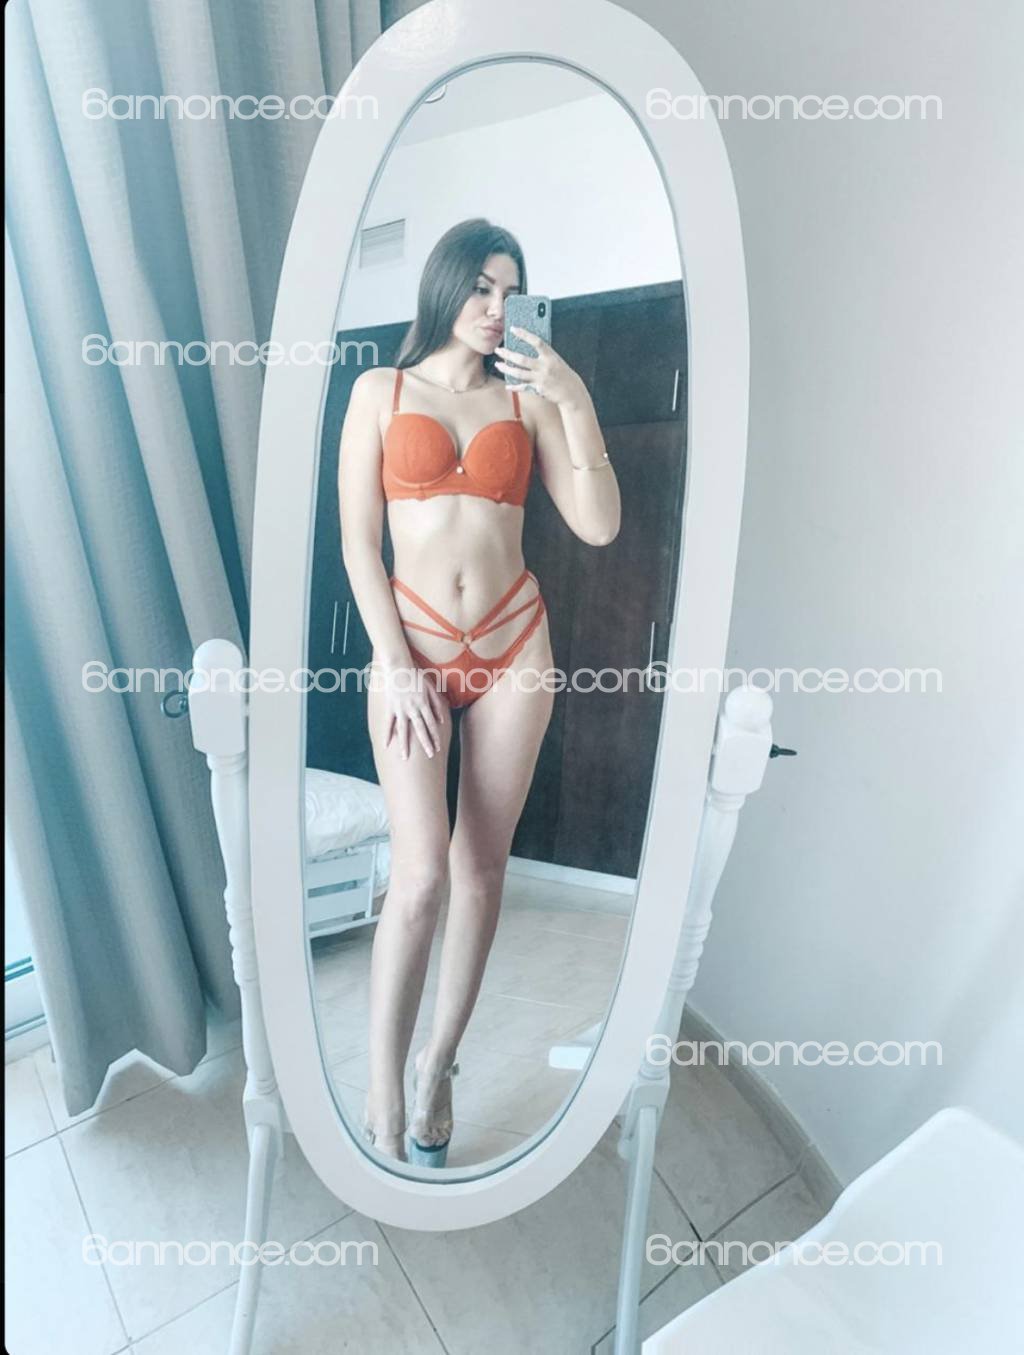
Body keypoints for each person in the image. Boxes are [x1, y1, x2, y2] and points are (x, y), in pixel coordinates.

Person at [338, 218, 620, 1164]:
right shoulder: (380, 392)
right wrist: (393, 662)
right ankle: (383, 1077)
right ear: (445, 285)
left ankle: (437, 1065)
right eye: (481, 287)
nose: (496, 308)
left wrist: (571, 396)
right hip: (410, 650)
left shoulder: (527, 401)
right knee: (419, 874)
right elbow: (358, 544)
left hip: (513, 646)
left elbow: (600, 526)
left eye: (511, 292)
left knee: (480, 868)